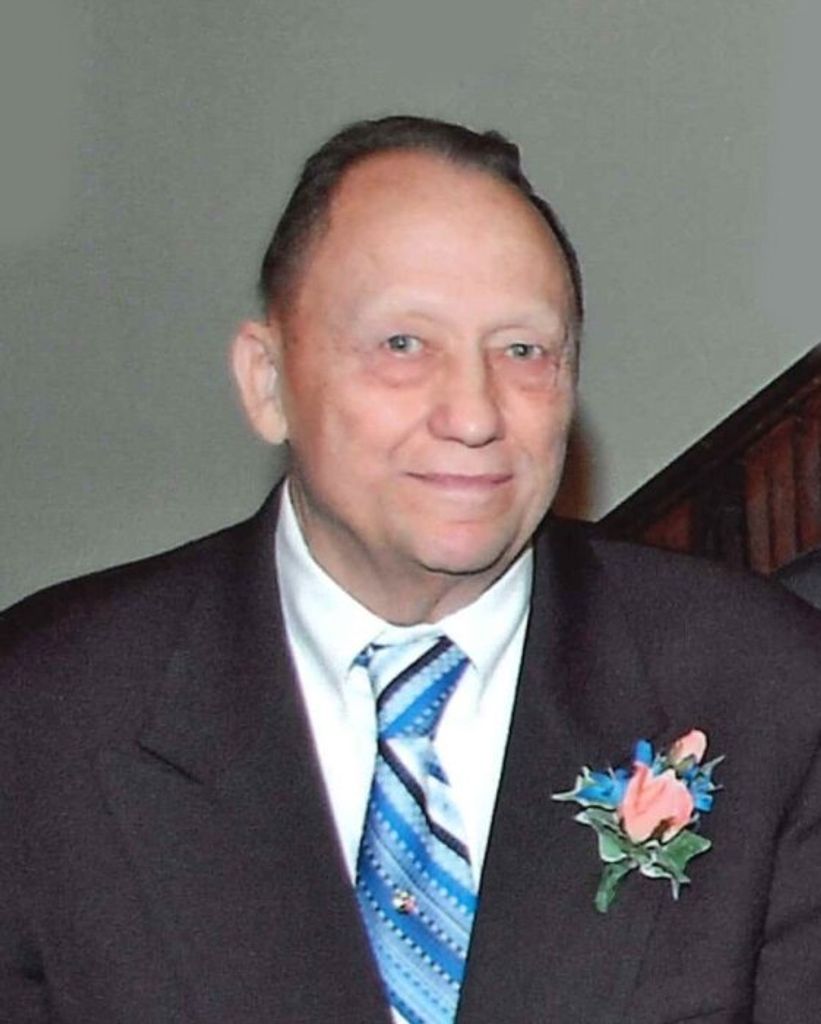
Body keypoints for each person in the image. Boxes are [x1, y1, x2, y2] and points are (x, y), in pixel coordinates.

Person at [2, 115, 821, 1024]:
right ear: (267, 381)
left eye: (522, 351)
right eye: (402, 345)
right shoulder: (48, 708)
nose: (473, 414)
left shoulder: (766, 686)